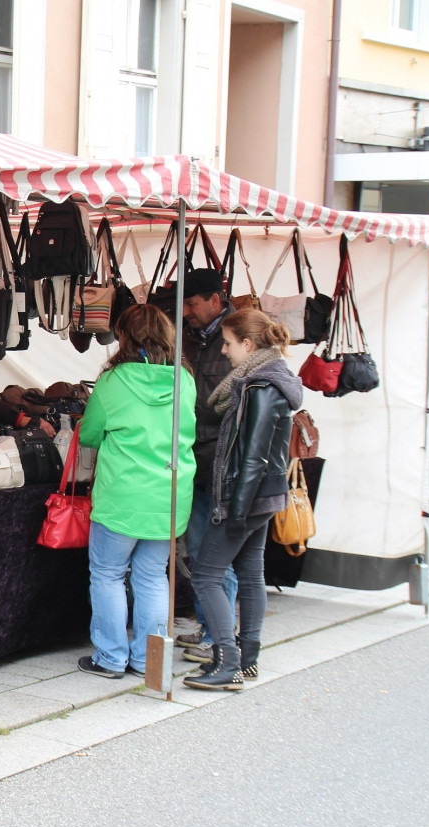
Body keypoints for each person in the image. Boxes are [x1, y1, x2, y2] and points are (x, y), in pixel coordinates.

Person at [183, 308, 301, 690]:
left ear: (248, 345)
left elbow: (253, 454)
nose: (224, 352)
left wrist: (234, 508)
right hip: (265, 494)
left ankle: (228, 662)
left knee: (206, 575)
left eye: (229, 344)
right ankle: (246, 658)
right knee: (251, 575)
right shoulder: (272, 380)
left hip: (247, 496)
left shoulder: (260, 386)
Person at [76, 304, 195, 677]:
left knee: (109, 575)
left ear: (124, 336)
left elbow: (91, 433)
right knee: (153, 577)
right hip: (170, 495)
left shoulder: (114, 381)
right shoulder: (184, 380)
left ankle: (111, 658)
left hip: (123, 496)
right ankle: (150, 662)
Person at [177, 267, 239, 662]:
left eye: (193, 303)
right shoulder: (189, 339)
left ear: (215, 300)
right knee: (198, 550)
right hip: (192, 459)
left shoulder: (237, 339)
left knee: (216, 556)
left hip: (220, 462)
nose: (186, 311)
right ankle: (209, 626)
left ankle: (222, 637)